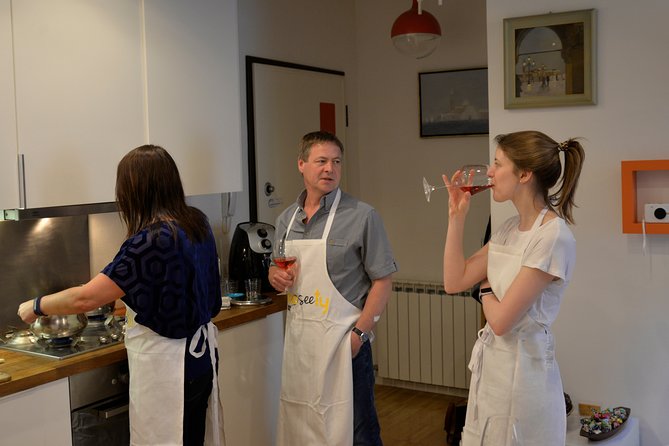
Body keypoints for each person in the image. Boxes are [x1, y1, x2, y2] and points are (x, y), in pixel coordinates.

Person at [18, 144, 224, 446]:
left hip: (170, 370)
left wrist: (36, 306)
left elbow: (86, 299)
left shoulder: (150, 240)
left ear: (135, 190)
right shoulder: (196, 221)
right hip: (201, 361)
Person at [442, 131, 584, 445]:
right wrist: (456, 218)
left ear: (524, 174)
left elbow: (502, 322)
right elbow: (454, 281)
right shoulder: (508, 228)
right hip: (493, 371)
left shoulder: (552, 236)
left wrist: (486, 288)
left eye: (496, 164)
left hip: (526, 379)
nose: (489, 173)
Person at [269, 131, 398, 446]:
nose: (330, 169)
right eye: (321, 161)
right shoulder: (285, 221)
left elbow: (383, 280)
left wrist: (360, 335)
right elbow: (279, 272)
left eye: (336, 162)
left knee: (360, 431)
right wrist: (275, 275)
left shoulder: (362, 216)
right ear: (301, 164)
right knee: (303, 426)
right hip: (301, 345)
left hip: (345, 345)